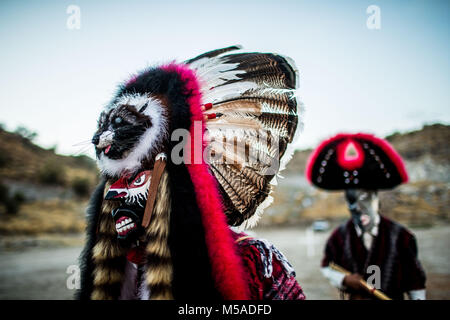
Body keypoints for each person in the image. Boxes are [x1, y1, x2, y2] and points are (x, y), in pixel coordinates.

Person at [305, 133, 426, 300]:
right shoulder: (339, 236)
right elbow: (327, 266)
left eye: (365, 200)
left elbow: (415, 282)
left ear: (376, 198)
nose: (359, 210)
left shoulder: (402, 237)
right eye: (352, 203)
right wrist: (344, 279)